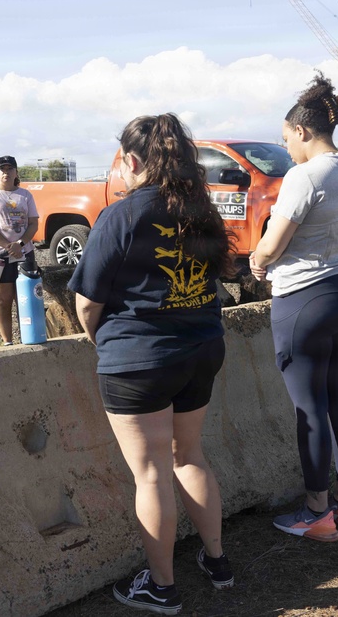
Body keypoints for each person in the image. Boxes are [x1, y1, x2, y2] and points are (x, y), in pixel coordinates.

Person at [69, 113, 236, 614]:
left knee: (151, 475)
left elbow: (86, 303)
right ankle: (217, 561)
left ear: (133, 161)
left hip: (139, 359)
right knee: (190, 457)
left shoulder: (121, 215)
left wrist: (105, 343)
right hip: (201, 348)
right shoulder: (202, 210)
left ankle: (161, 588)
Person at [249, 74, 338, 543]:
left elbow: (273, 243)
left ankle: (316, 512)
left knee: (309, 406)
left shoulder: (305, 175)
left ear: (302, 131)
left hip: (306, 298)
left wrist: (257, 263)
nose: (288, 150)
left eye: (287, 140)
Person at [0, 156, 39, 345]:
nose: (6, 172)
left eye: (10, 169)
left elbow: (33, 224)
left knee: (25, 297)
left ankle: (28, 337)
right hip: (0, 255)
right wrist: (7, 246)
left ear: (16, 172)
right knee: (3, 299)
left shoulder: (26, 195)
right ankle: (7, 341)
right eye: (2, 169)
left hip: (24, 253)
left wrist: (19, 245)